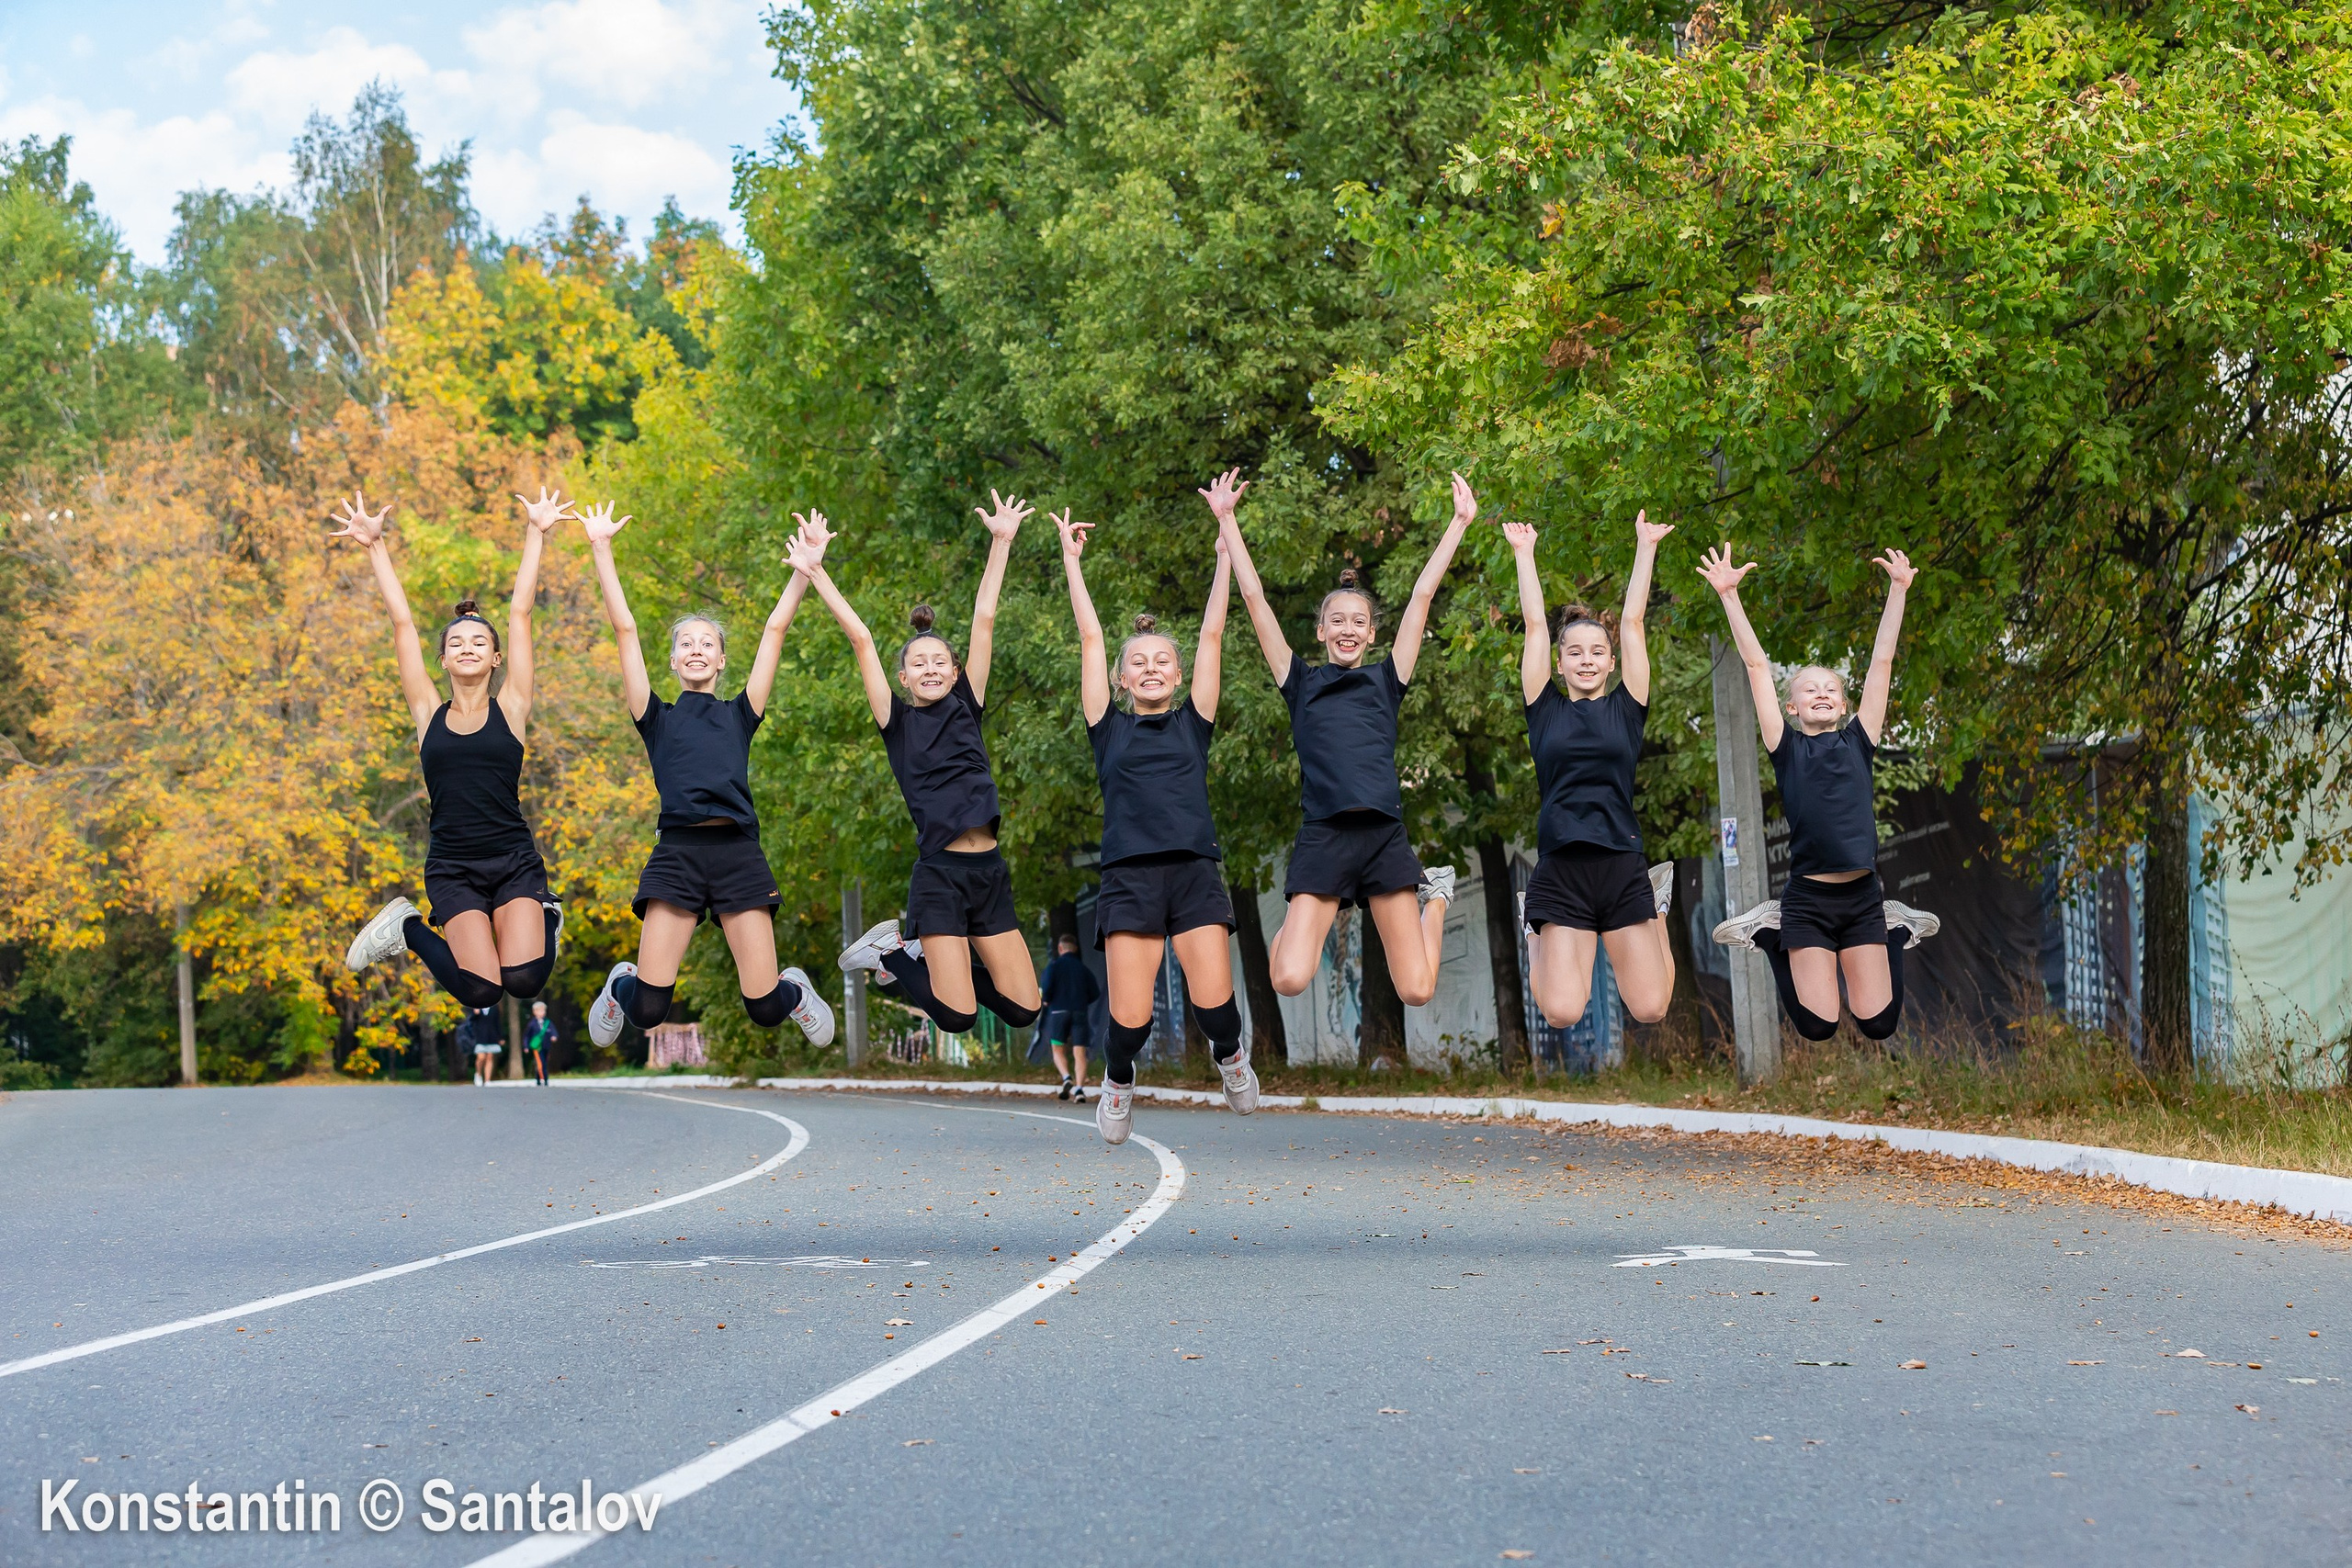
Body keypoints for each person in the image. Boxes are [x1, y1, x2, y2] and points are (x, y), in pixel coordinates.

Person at [577, 501, 836, 1052]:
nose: (696, 650)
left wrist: (806, 569)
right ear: (672, 662)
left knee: (765, 1008)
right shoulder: (655, 716)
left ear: (721, 662)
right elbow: (624, 629)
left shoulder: (741, 712)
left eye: (707, 644)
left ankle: (795, 991)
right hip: (677, 854)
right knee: (646, 1009)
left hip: (739, 853)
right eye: (685, 644)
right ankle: (617, 986)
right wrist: (602, 549)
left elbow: (775, 628)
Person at [1210, 468, 1470, 1010]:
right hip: (1325, 837)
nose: (1349, 628)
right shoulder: (1299, 680)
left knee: (1418, 990)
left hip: (1381, 837)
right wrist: (1228, 520)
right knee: (1288, 979)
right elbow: (1256, 599)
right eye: (1337, 620)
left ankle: (1437, 893)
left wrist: (1460, 523)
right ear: (1321, 630)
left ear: (1372, 633)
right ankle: (1296, 936)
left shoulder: (1387, 679)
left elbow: (1422, 596)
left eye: (1359, 621)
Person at [798, 500, 1045, 1040]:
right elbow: (861, 638)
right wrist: (816, 572)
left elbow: (984, 617)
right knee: (955, 1017)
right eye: (919, 664)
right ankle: (892, 952)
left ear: (955, 673)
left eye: (940, 662)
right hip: (940, 877)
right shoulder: (897, 722)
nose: (930, 669)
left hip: (990, 873)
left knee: (1025, 1010)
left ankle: (912, 953)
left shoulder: (967, 705)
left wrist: (1001, 541)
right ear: (904, 678)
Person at [1057, 505, 1250, 1145]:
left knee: (1216, 1006)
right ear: (1120, 677)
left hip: (1193, 871)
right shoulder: (1107, 728)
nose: (1150, 668)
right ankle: (1117, 1081)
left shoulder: (1195, 720)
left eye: (1162, 659)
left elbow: (1215, 636)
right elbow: (1088, 638)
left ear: (1177, 671)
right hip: (1129, 879)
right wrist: (1072, 563)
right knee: (1130, 1018)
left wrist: (1225, 557)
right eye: (1137, 662)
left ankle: (1231, 1058)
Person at [339, 488, 568, 1010]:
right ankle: (408, 928)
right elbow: (402, 624)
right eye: (457, 643)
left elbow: (521, 612)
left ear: (495, 659)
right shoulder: (427, 712)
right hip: (454, 866)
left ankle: (545, 911)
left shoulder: (511, 706)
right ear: (442, 659)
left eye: (479, 643)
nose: (468, 647)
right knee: (481, 992)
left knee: (526, 983)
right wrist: (375, 547)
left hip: (512, 861)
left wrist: (536, 532)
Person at [1700, 544, 1939, 1040]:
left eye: (1831, 687)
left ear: (1845, 703)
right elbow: (1757, 668)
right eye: (1810, 689)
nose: (1823, 693)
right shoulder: (1784, 747)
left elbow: (1882, 661)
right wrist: (1729, 596)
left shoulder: (1860, 740)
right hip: (1807, 899)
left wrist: (1898, 590)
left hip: (1862, 898)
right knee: (1816, 1025)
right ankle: (1770, 934)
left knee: (1879, 1024)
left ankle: (1895, 929)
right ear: (1792, 707)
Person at [1504, 511, 1679, 1029]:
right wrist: (1524, 555)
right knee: (1561, 1013)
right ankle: (1532, 923)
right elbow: (1536, 625)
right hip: (1563, 867)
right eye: (1574, 652)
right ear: (1559, 664)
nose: (1586, 659)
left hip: (1622, 863)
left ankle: (1658, 908)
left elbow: (1632, 623)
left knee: (1650, 1009)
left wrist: (1645, 546)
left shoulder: (1628, 708)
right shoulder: (1544, 708)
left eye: (1597, 652)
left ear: (1611, 663)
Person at [1035, 933, 1100, 1100]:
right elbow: (1095, 992)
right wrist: (1083, 1001)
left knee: (1057, 1049)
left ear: (1060, 948)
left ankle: (1066, 1077)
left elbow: (1047, 986)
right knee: (1080, 1052)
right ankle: (1079, 1090)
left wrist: (1047, 1000)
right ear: (1076, 949)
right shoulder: (1083, 969)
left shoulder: (1054, 966)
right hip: (1080, 1012)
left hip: (1058, 1014)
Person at [462, 1005, 502, 1087]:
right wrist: (475, 1013)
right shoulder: (476, 1007)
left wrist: (500, 1036)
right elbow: (470, 1020)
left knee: (490, 1058)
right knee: (481, 1057)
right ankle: (478, 1074)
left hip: (492, 1036)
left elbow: (497, 1022)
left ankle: (487, 1080)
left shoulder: (494, 1008)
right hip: (480, 1037)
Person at [525, 999, 556, 1087]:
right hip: (537, 1047)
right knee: (540, 1063)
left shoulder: (548, 1022)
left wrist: (554, 1036)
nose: (542, 1012)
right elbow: (527, 1036)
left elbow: (553, 1031)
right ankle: (545, 1079)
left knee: (544, 1062)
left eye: (543, 1010)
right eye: (540, 1010)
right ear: (534, 1012)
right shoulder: (532, 1024)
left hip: (546, 1046)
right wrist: (526, 1046)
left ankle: (538, 1078)